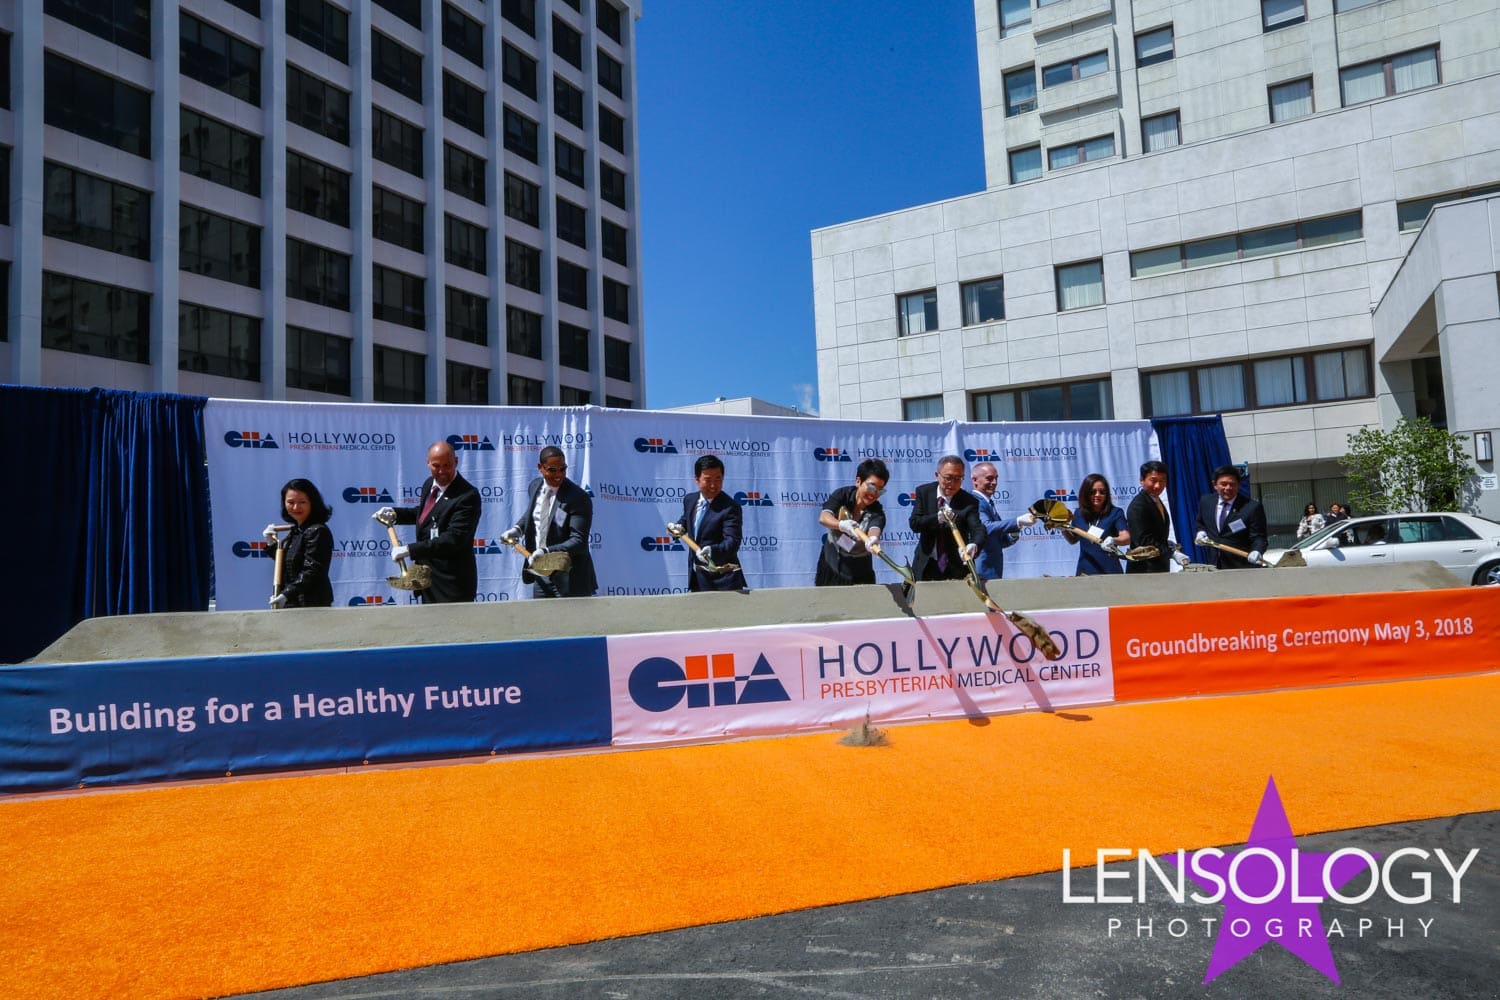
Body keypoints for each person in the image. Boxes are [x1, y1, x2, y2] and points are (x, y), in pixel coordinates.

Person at [376, 440, 481, 604]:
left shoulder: (468, 496)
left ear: (456, 462)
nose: (441, 471)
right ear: (428, 463)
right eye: (436, 466)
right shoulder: (428, 484)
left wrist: (409, 550)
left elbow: (453, 539)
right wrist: (395, 514)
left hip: (452, 584)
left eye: (447, 465)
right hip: (427, 581)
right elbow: (427, 515)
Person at [501, 446, 597, 598]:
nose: (558, 475)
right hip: (540, 575)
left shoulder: (578, 498)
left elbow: (578, 541)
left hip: (570, 578)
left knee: (571, 615)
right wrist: (517, 529)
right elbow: (533, 514)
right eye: (552, 470)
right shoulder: (534, 487)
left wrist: (546, 552)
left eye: (562, 469)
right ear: (540, 467)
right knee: (542, 614)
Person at [668, 454, 747, 591]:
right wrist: (678, 527)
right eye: (708, 480)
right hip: (697, 578)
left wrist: (712, 551)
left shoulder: (730, 508)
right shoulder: (690, 500)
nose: (713, 485)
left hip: (723, 582)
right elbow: (687, 520)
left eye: (718, 479)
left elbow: (732, 542)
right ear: (697, 479)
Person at [909, 455, 986, 581]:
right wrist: (937, 518)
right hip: (927, 563)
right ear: (937, 475)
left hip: (956, 566)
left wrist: (974, 544)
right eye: (948, 478)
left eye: (958, 479)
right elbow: (915, 523)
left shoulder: (969, 501)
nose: (952, 483)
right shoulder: (924, 492)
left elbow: (977, 529)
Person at [815, 458, 890, 586]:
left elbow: (875, 528)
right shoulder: (842, 495)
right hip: (832, 563)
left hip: (860, 569)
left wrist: (873, 539)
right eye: (871, 486)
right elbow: (824, 517)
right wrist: (841, 525)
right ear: (858, 481)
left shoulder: (877, 511)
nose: (874, 493)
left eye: (880, 490)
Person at [264, 478, 334, 608]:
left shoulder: (317, 531)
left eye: (302, 502)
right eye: (290, 502)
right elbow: (288, 565)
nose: (296, 507)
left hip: (311, 605)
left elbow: (313, 571)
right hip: (293, 603)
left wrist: (286, 594)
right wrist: (271, 544)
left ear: (312, 503)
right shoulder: (297, 531)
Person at [969, 461, 1037, 581]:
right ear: (975, 480)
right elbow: (985, 528)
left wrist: (1013, 533)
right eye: (989, 478)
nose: (994, 482)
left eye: (996, 478)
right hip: (981, 570)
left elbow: (999, 541)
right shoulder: (975, 501)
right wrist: (1017, 521)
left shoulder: (987, 503)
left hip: (992, 571)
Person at [1194, 465, 1269, 569]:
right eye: (1224, 484)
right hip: (1214, 564)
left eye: (1232, 484)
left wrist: (1257, 551)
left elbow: (1259, 537)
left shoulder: (1252, 507)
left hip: (1242, 565)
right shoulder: (1206, 502)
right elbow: (1201, 523)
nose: (1228, 488)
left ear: (1238, 485)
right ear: (1215, 485)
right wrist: (1201, 532)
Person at [1125, 460, 1183, 574]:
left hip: (1159, 568)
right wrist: (1171, 552)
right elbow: (1143, 541)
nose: (1158, 486)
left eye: (1162, 481)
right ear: (1142, 480)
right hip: (1144, 570)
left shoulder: (1155, 500)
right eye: (1153, 480)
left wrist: (1166, 543)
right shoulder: (1138, 505)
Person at [1066, 474, 1130, 576]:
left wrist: (1113, 540)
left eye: (1102, 492)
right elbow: (1073, 540)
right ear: (1085, 493)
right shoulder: (1078, 514)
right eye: (1092, 492)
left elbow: (1126, 537)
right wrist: (1062, 528)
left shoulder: (1115, 513)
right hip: (1085, 571)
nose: (1097, 495)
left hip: (1110, 571)